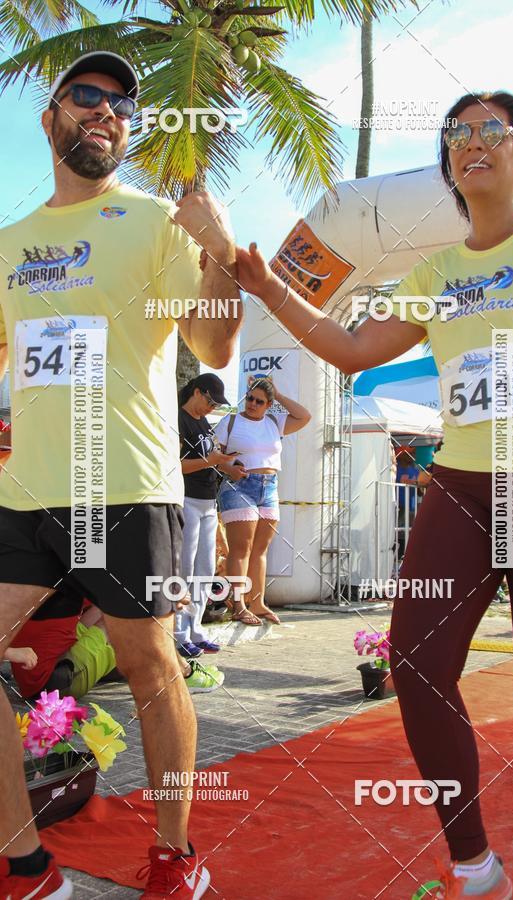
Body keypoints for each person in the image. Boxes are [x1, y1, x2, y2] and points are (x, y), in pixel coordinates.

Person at [235, 91, 513, 899]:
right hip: (465, 484)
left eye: (490, 131)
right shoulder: (434, 271)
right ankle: (474, 866)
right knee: (416, 661)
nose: (472, 143)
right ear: (448, 160)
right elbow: (353, 346)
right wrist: (271, 290)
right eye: (457, 133)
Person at [0, 51, 241, 899]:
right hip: (26, 490)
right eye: (87, 96)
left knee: (148, 665)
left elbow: (212, 346)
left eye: (121, 104)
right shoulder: (9, 244)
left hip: (128, 483)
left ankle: (176, 857)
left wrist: (216, 253)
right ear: (51, 119)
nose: (106, 111)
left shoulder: (153, 221)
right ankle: (29, 865)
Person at [213, 377, 311, 625]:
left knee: (260, 549)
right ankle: (238, 605)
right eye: (249, 398)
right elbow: (215, 455)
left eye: (259, 401)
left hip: (269, 487)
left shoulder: (274, 422)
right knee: (240, 549)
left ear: (269, 404)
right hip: (239, 485)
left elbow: (304, 416)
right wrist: (229, 468)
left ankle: (257, 603)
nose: (252, 404)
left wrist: (277, 394)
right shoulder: (230, 421)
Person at [176, 372, 239, 658]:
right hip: (187, 498)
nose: (212, 409)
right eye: (211, 402)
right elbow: (176, 465)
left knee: (205, 568)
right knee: (184, 568)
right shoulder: (180, 418)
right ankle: (178, 631)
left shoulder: (202, 422)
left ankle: (195, 627)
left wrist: (229, 466)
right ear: (198, 392)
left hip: (207, 500)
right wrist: (211, 461)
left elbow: (212, 457)